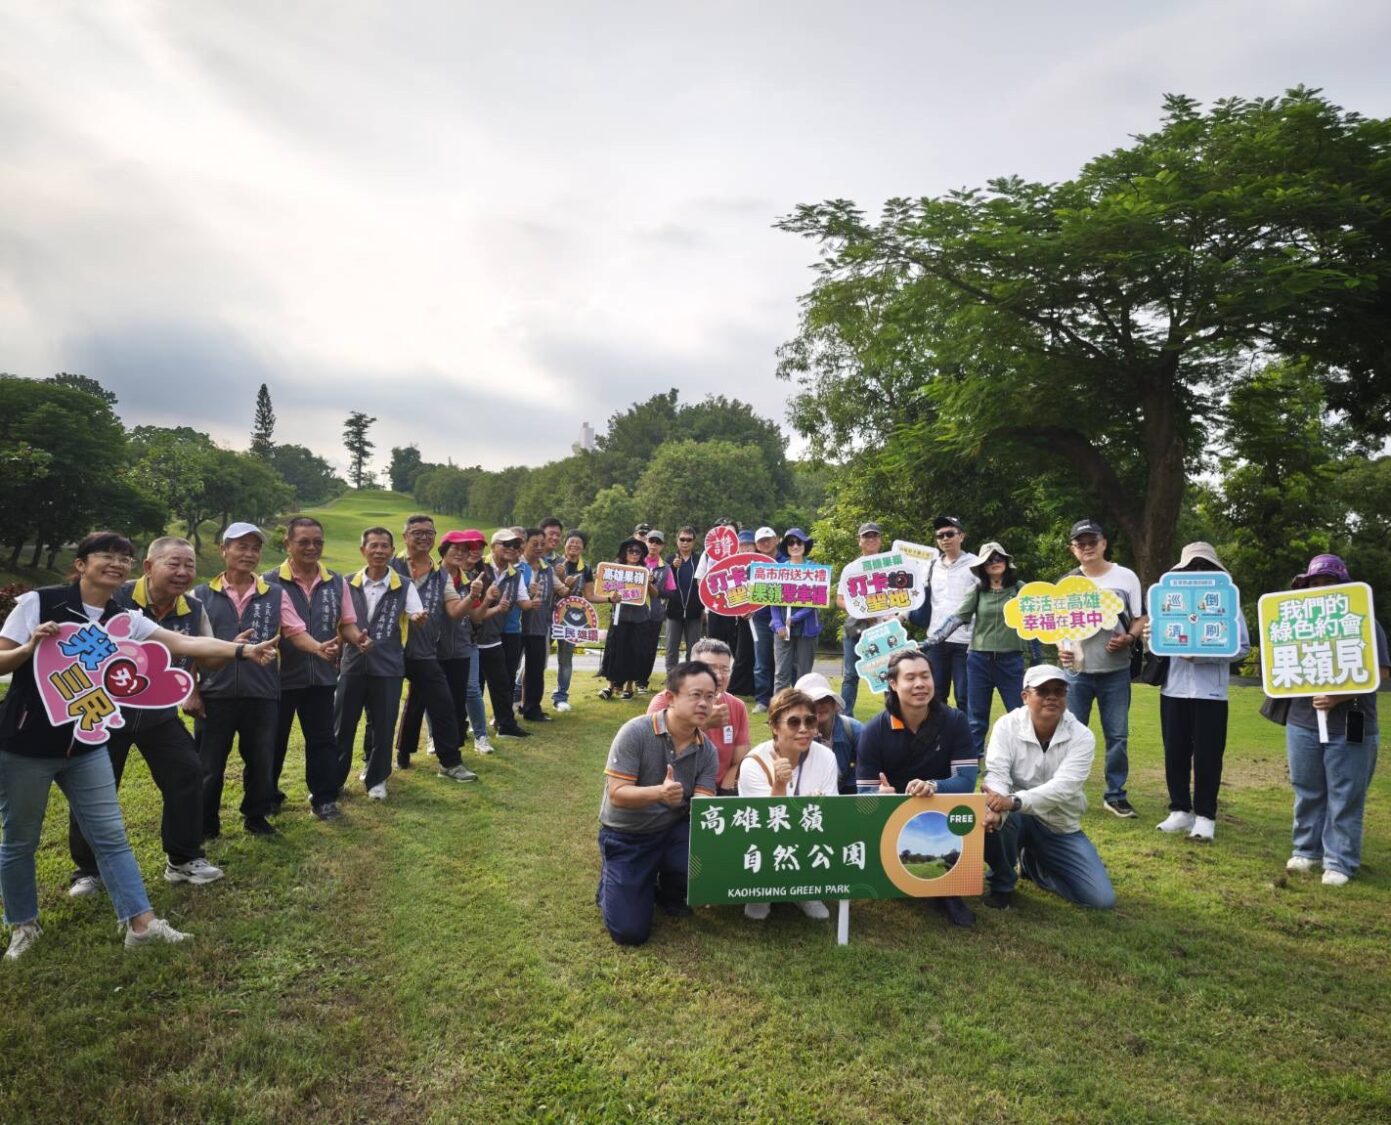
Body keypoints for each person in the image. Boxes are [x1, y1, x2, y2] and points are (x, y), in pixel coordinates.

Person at [0, 531, 277, 960]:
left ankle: (141, 924)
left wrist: (243, 652)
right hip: (28, 741)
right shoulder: (41, 602)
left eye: (123, 557)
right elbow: (2, 658)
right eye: (106, 556)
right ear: (81, 564)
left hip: (90, 738)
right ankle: (23, 924)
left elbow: (183, 643)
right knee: (20, 839)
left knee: (111, 834)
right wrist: (32, 645)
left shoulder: (125, 616)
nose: (116, 564)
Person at [66, 537, 224, 897]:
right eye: (174, 564)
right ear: (149, 567)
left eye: (189, 565)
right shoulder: (114, 596)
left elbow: (207, 655)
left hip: (158, 712)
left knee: (187, 772)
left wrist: (232, 651)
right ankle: (89, 872)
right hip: (105, 712)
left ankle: (183, 859)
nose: (183, 572)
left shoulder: (193, 607)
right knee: (94, 788)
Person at [195, 522, 339, 838]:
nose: (248, 554)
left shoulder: (274, 594)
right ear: (224, 550)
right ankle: (206, 825)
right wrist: (192, 690)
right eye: (241, 546)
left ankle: (256, 817)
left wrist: (318, 648)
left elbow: (294, 630)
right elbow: (190, 647)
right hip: (214, 693)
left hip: (261, 692)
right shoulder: (201, 595)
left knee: (261, 760)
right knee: (209, 766)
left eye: (255, 548)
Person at [1280, 554, 1388, 886]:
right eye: (1316, 583)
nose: (1322, 589)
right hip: (1303, 720)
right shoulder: (1294, 621)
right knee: (1307, 788)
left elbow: (1381, 672)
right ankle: (1306, 851)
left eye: (1330, 583)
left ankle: (1340, 861)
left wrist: (1339, 697)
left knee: (1345, 794)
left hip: (1351, 723)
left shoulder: (1365, 619)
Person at [597, 661, 719, 946]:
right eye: (696, 695)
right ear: (671, 697)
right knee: (630, 933)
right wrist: (659, 794)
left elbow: (702, 803)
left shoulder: (707, 750)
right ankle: (613, 879)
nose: (704, 703)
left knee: (696, 848)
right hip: (626, 834)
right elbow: (617, 793)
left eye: (711, 696)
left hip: (671, 829)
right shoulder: (636, 732)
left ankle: (669, 890)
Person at [855, 648, 978, 928]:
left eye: (925, 676)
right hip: (892, 817)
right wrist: (880, 796)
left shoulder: (955, 721)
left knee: (983, 819)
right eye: (910, 678)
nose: (920, 684)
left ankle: (949, 889)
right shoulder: (874, 730)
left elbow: (967, 781)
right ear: (893, 684)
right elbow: (862, 796)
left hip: (940, 815)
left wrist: (933, 787)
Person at [981, 665, 1116, 910]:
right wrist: (995, 804)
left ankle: (1033, 866)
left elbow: (1064, 787)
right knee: (995, 816)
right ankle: (1001, 883)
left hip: (1058, 824)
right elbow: (997, 773)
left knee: (1100, 899)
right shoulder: (1006, 725)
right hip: (1014, 817)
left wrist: (1012, 800)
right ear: (1025, 696)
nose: (1051, 697)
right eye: (1042, 691)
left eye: (1059, 691)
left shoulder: (1082, 736)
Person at [1145, 542, 1251, 842]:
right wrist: (1148, 637)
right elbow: (1156, 645)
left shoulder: (1228, 604)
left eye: (1204, 566)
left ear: (1216, 571)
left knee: (1208, 755)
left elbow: (1242, 647)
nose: (1198, 572)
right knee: (1175, 751)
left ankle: (1205, 816)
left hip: (1211, 693)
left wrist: (1203, 655)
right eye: (1192, 566)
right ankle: (1180, 809)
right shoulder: (1168, 600)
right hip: (1174, 689)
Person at [265, 517, 359, 822]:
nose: (311, 547)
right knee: (272, 740)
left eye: (317, 541)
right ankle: (267, 796)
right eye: (303, 541)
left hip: (321, 674)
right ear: (287, 544)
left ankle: (324, 799)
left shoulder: (335, 580)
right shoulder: (267, 582)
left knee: (321, 739)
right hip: (277, 677)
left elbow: (347, 623)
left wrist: (355, 640)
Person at [1057, 519, 1145, 819]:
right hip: (1077, 672)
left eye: (1092, 541)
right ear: (1073, 549)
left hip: (1115, 670)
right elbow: (1056, 626)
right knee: (1070, 735)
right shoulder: (1066, 583)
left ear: (1104, 543)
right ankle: (1067, 794)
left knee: (1117, 736)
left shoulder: (1126, 577)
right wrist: (1061, 649)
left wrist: (1129, 638)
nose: (1087, 547)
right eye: (1080, 543)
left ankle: (1115, 795)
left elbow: (1140, 617)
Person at [335, 527, 428, 800]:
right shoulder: (346, 583)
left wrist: (419, 618)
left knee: (384, 725)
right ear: (363, 550)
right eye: (373, 546)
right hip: (352, 666)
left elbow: (415, 612)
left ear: (391, 550)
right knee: (342, 725)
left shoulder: (403, 584)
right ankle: (335, 779)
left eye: (384, 546)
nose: (379, 551)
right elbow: (338, 623)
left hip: (388, 667)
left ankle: (377, 779)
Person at [927, 541, 1040, 758]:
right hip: (978, 659)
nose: (994, 563)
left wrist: (1037, 660)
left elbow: (1034, 624)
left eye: (998, 558)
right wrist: (933, 640)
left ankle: (1025, 758)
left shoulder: (1021, 589)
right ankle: (971, 762)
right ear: (982, 566)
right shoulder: (978, 590)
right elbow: (958, 617)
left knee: (1019, 712)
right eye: (989, 560)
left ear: (1006, 562)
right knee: (976, 717)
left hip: (1012, 659)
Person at [386, 515, 477, 782]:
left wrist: (472, 596)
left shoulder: (441, 575)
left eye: (429, 533)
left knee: (443, 703)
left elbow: (453, 611)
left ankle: (450, 763)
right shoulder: (391, 565)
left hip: (424, 651)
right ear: (405, 536)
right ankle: (381, 760)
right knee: (382, 708)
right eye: (417, 532)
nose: (424, 537)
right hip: (388, 651)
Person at [736, 688, 840, 922]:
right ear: (774, 727)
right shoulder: (754, 763)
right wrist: (779, 786)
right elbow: (765, 824)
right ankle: (760, 892)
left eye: (810, 721)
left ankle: (806, 891)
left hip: (809, 833)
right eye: (793, 722)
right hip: (765, 837)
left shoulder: (826, 757)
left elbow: (830, 813)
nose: (804, 729)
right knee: (761, 839)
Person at [647, 638, 751, 794]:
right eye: (710, 668)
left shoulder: (737, 706)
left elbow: (739, 761)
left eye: (725, 669)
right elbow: (654, 753)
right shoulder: (666, 701)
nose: (719, 676)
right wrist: (704, 724)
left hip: (717, 790)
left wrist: (723, 794)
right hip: (673, 790)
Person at [471, 529, 531, 738]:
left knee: (501, 682)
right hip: (469, 636)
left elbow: (523, 601)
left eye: (515, 546)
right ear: (493, 546)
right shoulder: (478, 566)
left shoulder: (516, 575)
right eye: (506, 545)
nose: (511, 549)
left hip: (493, 636)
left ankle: (506, 725)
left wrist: (535, 600)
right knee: (472, 686)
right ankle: (466, 726)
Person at [919, 516, 978, 709]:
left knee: (965, 696)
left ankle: (967, 739)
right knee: (935, 696)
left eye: (950, 534)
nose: (945, 539)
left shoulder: (976, 564)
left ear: (961, 536)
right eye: (940, 535)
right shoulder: (930, 566)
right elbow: (918, 597)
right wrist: (900, 616)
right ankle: (939, 738)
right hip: (936, 639)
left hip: (966, 641)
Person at [837, 521, 889, 716]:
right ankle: (844, 717)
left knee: (886, 674)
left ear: (880, 540)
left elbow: (906, 596)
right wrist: (862, 611)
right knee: (850, 675)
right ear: (859, 541)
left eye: (874, 535)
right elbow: (840, 600)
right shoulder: (851, 568)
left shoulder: (892, 564)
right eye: (866, 536)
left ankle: (893, 717)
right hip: (856, 628)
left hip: (884, 628)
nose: (870, 539)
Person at [599, 538, 657, 700]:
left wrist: (649, 582)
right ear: (624, 553)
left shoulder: (645, 571)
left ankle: (629, 687)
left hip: (639, 618)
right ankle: (610, 686)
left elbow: (655, 594)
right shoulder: (615, 570)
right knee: (614, 650)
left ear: (642, 555)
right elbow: (603, 588)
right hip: (619, 616)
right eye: (630, 551)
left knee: (635, 652)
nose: (634, 554)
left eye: (638, 552)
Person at [770, 528, 821, 693]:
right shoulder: (778, 569)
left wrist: (796, 617)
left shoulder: (815, 568)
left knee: (804, 675)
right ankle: (778, 715)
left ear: (805, 545)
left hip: (807, 627)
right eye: (791, 542)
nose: (795, 546)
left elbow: (817, 599)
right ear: (786, 546)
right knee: (781, 674)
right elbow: (772, 600)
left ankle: (802, 712)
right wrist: (778, 624)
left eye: (799, 542)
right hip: (782, 628)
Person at [796, 671, 863, 794]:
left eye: (825, 699)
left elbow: (866, 776)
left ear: (834, 704)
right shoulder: (792, 737)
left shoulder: (855, 730)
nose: (820, 706)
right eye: (813, 702)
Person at [552, 531, 597, 713]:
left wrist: (611, 599)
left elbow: (590, 595)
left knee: (566, 659)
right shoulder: (553, 564)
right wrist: (562, 579)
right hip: (548, 616)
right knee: (536, 658)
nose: (575, 546)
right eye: (571, 542)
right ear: (564, 544)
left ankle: (561, 696)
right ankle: (520, 694)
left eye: (579, 543)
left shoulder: (585, 568)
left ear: (583, 547)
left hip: (570, 621)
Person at [518, 527, 559, 723]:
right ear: (524, 544)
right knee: (508, 671)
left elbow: (561, 588)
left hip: (539, 625)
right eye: (535, 544)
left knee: (535, 670)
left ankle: (532, 708)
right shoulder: (516, 566)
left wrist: (568, 584)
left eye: (542, 544)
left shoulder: (547, 568)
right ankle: (505, 711)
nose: (539, 548)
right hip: (515, 627)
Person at [663, 526, 704, 675]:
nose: (685, 543)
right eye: (682, 539)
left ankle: (690, 677)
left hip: (694, 612)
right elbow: (663, 583)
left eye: (689, 540)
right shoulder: (669, 559)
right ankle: (671, 678)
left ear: (694, 542)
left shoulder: (699, 560)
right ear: (677, 540)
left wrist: (704, 608)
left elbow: (705, 585)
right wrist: (673, 568)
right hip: (674, 611)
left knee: (693, 648)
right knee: (671, 647)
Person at [749, 526, 780, 713]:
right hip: (759, 618)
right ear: (757, 545)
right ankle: (762, 700)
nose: (765, 543)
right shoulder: (751, 564)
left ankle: (783, 698)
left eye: (768, 539)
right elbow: (742, 589)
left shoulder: (787, 562)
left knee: (783, 663)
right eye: (761, 541)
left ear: (776, 540)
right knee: (761, 661)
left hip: (784, 620)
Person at [637, 531, 672, 693]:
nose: (654, 545)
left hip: (654, 614)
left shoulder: (665, 567)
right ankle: (627, 681)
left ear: (662, 546)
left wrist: (655, 587)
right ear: (645, 542)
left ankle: (642, 681)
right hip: (634, 613)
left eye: (658, 542)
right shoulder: (635, 561)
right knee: (634, 647)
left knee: (649, 649)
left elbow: (672, 592)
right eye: (651, 541)